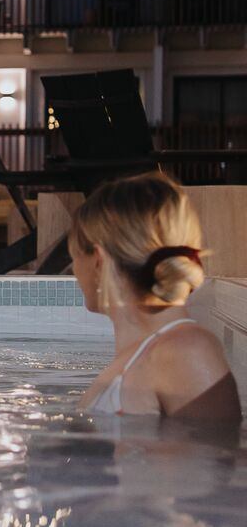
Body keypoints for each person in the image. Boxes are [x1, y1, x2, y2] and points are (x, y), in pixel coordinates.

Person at [71, 173, 240, 427]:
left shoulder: (185, 350)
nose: (73, 270)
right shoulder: (147, 354)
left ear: (98, 261)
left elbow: (216, 462)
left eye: (72, 257)